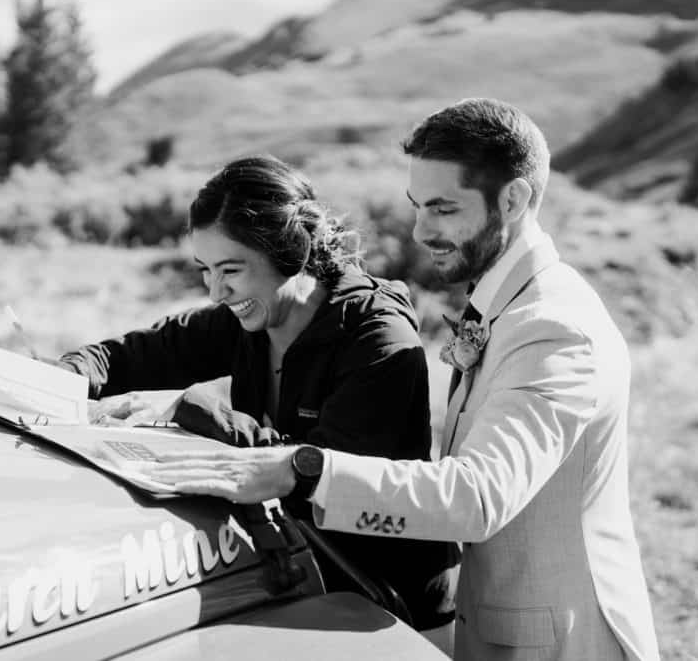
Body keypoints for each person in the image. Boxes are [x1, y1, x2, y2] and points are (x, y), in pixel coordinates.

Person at [143, 99, 661, 661]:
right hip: (501, 629)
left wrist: (300, 467)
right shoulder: (506, 307)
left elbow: (476, 496)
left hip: (565, 643)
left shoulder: (552, 328)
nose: (420, 231)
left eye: (442, 209)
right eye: (417, 207)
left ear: (512, 200)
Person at [56, 155, 458, 636]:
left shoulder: (379, 338)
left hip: (391, 606)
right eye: (205, 270)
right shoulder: (248, 317)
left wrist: (194, 412)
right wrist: (59, 379)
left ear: (289, 250)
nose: (215, 292)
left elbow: (316, 473)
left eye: (231, 270)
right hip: (301, 579)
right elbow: (133, 354)